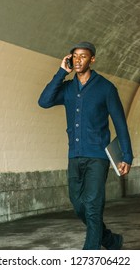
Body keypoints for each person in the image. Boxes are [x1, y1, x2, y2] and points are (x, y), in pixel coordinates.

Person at [38, 41, 133, 250]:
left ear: (92, 59)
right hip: (75, 155)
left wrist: (127, 156)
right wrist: (61, 72)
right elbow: (44, 101)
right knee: (78, 204)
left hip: (98, 156)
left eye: (83, 56)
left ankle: (89, 255)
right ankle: (111, 240)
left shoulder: (106, 88)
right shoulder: (68, 88)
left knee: (92, 206)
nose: (78, 59)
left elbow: (120, 123)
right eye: (75, 56)